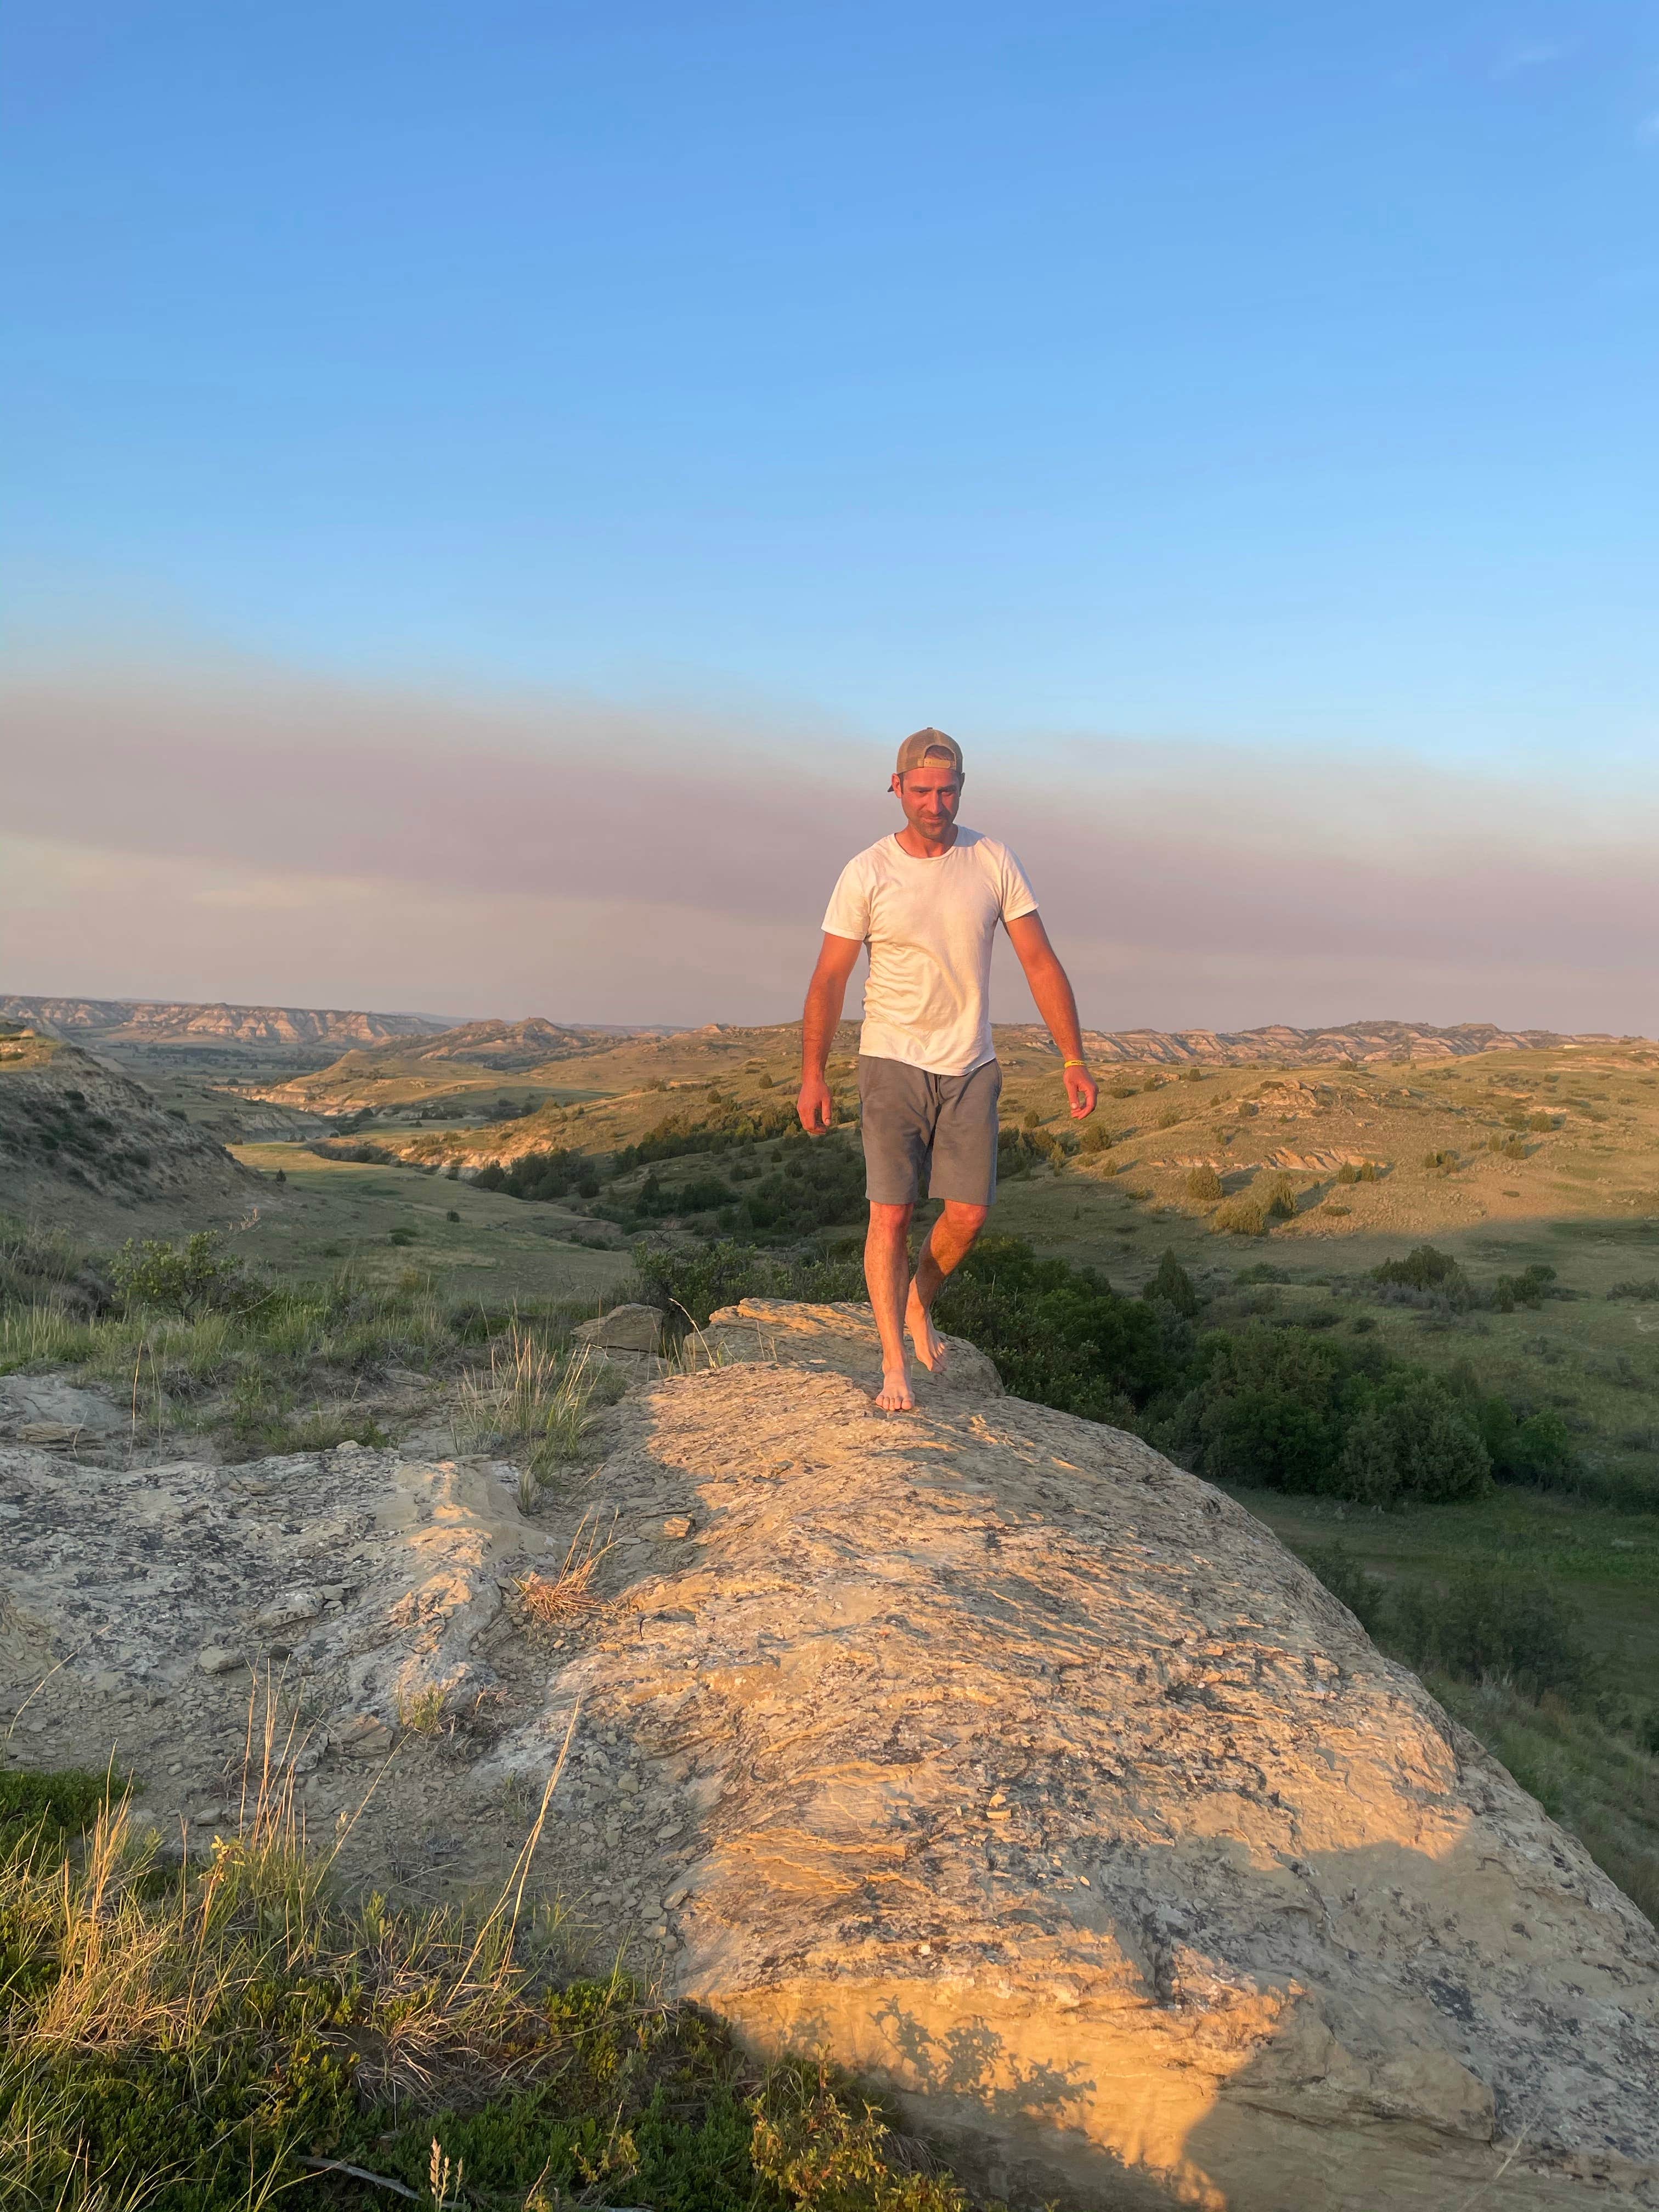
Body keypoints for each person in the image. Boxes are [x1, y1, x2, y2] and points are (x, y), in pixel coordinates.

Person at [797, 726, 1097, 1411]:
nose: (936, 802)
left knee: (967, 1215)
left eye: (948, 789)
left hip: (971, 1062)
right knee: (892, 1215)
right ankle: (893, 1365)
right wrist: (813, 1072)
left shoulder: (992, 859)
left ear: (962, 787)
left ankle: (917, 1300)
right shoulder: (867, 871)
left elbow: (1040, 962)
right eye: (923, 790)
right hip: (892, 1059)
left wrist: (1073, 1058)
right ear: (897, 787)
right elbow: (829, 979)